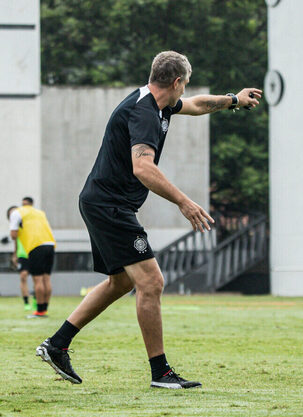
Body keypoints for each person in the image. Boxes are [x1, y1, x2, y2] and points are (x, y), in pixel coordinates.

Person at [35, 51, 262, 389]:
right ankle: (161, 373)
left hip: (103, 203)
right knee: (152, 282)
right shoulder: (144, 113)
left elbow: (197, 105)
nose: (184, 92)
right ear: (176, 82)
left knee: (122, 282)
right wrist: (183, 202)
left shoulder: (156, 102)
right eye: (183, 85)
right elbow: (143, 167)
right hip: (111, 207)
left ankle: (57, 344)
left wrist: (233, 100)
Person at [7, 202, 56, 318]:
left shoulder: (16, 213)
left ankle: (39, 311)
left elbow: (13, 235)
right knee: (46, 279)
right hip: (50, 244)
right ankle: (44, 310)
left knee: (37, 280)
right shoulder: (39, 213)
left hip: (35, 246)